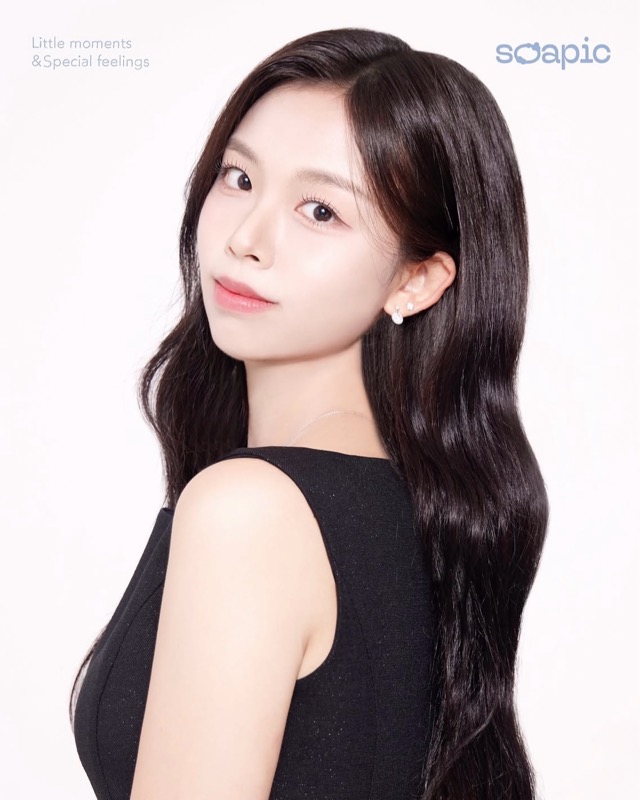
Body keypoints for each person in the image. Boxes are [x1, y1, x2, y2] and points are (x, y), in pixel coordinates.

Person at [69, 27, 549, 800]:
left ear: (417, 281)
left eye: (320, 210)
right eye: (239, 177)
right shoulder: (426, 517)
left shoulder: (251, 512)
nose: (247, 239)